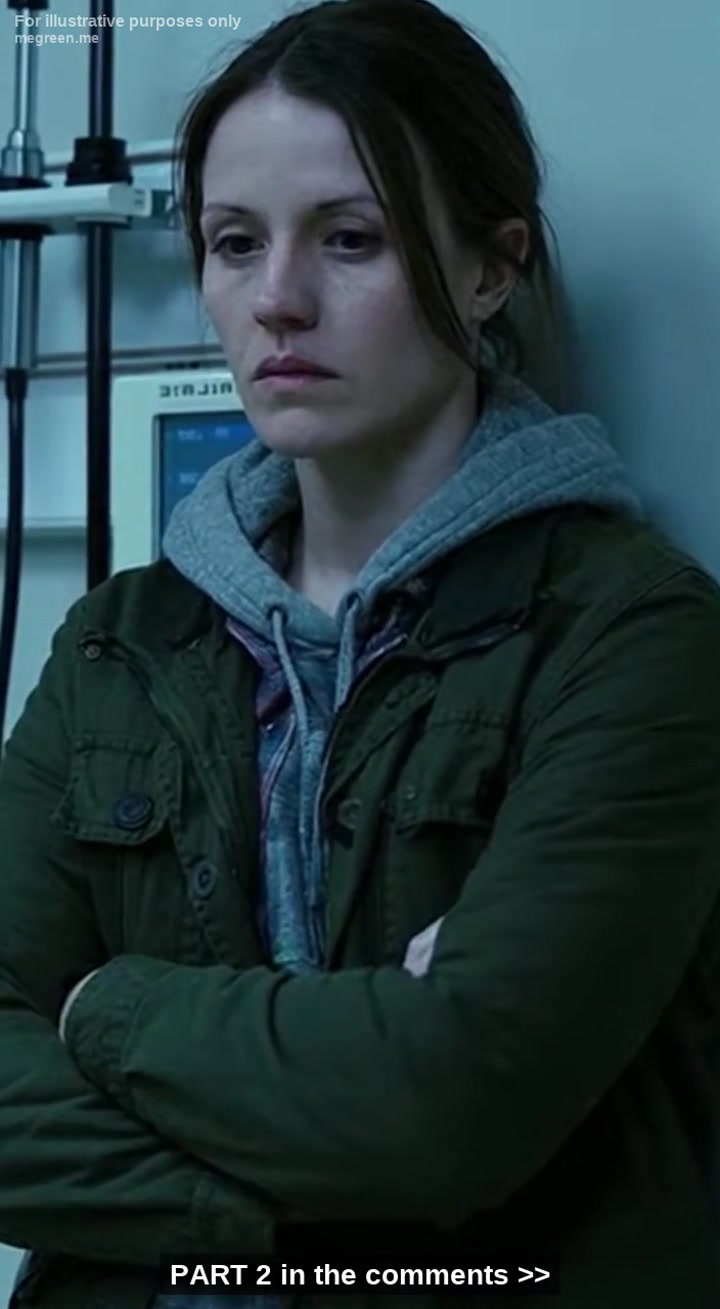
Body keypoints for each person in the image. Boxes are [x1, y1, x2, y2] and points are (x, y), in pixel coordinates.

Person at [2, 0, 720, 1306]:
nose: (277, 300)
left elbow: (450, 1104)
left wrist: (103, 1005)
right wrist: (282, 1212)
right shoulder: (120, 641)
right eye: (234, 242)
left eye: (351, 238)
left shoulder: (631, 635)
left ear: (492, 268)